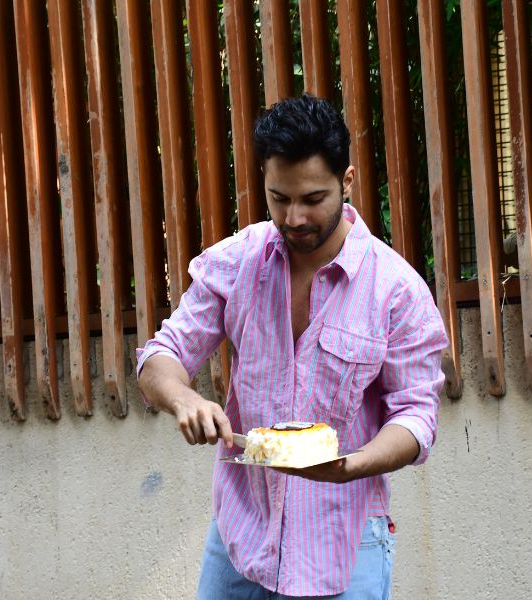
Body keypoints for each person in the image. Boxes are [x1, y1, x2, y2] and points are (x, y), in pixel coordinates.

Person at [136, 94, 448, 599]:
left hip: (343, 544)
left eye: (313, 198)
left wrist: (350, 466)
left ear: (347, 182)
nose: (295, 217)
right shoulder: (237, 262)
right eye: (279, 198)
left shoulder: (396, 289)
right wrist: (184, 399)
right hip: (239, 537)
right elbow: (159, 356)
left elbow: (416, 417)